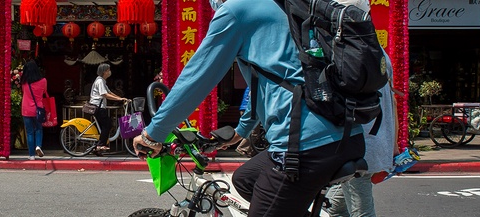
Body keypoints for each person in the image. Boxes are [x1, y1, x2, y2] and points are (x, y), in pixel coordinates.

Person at [132, 0, 366, 216]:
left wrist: (154, 133)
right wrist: (240, 131)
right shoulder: (283, 5)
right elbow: (269, 80)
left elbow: (196, 78)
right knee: (245, 179)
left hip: (303, 146)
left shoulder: (237, 10)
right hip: (346, 134)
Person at [322, 49, 399, 216]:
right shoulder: (380, 53)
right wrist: (393, 144)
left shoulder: (344, 52)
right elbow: (392, 101)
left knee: (362, 212)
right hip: (377, 142)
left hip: (358, 145)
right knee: (332, 208)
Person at [90, 63, 130, 152]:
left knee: (104, 126)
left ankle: (98, 147)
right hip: (98, 107)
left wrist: (120, 98)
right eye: (108, 70)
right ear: (104, 71)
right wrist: (119, 99)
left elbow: (109, 92)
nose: (109, 72)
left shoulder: (102, 81)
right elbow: (105, 94)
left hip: (98, 107)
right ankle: (101, 145)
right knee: (107, 124)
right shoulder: (100, 81)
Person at [20, 60, 47, 160]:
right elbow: (44, 92)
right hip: (38, 109)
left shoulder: (24, 82)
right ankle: (38, 146)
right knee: (39, 129)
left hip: (26, 109)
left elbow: (23, 92)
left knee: (30, 132)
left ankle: (31, 155)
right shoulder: (43, 81)